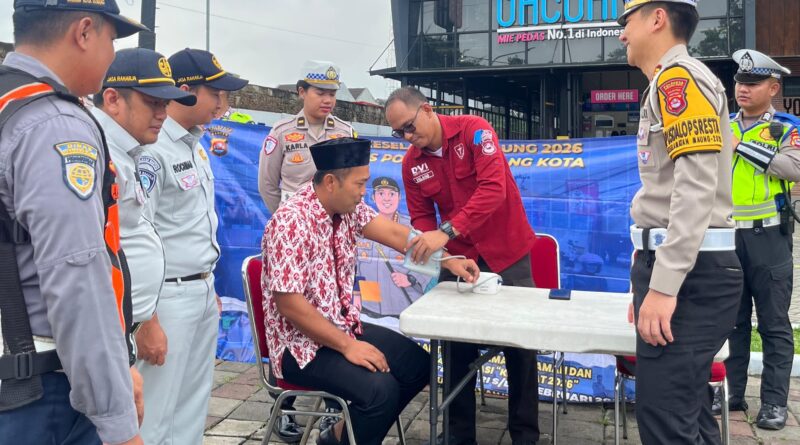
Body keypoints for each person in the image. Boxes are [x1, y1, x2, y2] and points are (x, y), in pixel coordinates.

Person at [262, 137, 479, 445]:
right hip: (298, 347)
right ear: (331, 182)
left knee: (418, 367)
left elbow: (395, 233)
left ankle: (338, 436)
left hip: (341, 326)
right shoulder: (290, 222)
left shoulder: (348, 208)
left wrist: (448, 260)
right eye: (360, 183)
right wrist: (348, 346)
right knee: (380, 391)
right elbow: (290, 305)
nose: (364, 191)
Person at [0, 1, 147, 444]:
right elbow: (76, 282)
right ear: (84, 32)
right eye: (111, 40)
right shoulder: (55, 124)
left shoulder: (8, 103)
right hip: (41, 389)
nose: (112, 56)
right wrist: (118, 420)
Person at [385, 86, 540, 445]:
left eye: (409, 126)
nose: (408, 137)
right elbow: (422, 219)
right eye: (398, 133)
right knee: (455, 346)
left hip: (507, 250)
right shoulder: (412, 164)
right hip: (458, 259)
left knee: (521, 345)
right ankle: (458, 434)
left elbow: (494, 189)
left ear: (427, 110)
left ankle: (525, 434)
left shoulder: (474, 131)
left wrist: (445, 232)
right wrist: (445, 256)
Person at [618, 1, 743, 443]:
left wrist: (664, 286)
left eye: (626, 21)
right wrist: (648, 277)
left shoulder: (679, 79)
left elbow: (695, 187)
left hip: (691, 276)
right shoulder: (669, 81)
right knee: (686, 413)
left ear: (657, 18)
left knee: (665, 419)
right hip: (684, 269)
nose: (622, 34)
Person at [135, 48, 248, 444]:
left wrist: (205, 283)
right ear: (184, 90)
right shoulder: (153, 148)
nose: (223, 103)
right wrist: (145, 318)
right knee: (154, 411)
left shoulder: (194, 144)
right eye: (215, 93)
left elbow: (193, 226)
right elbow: (137, 233)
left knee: (191, 408)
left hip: (198, 290)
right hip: (166, 298)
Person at [91, 48, 197, 367]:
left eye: (165, 104)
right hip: (104, 330)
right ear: (113, 99)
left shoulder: (126, 151)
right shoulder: (98, 151)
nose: (163, 113)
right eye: (153, 102)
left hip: (124, 323)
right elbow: (86, 254)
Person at [719, 49, 800, 430]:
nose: (743, 89)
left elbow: (793, 168)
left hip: (768, 237)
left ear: (773, 88)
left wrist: (741, 147)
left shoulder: (786, 128)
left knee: (774, 323)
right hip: (726, 237)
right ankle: (731, 394)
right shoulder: (721, 125)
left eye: (753, 83)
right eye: (740, 82)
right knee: (731, 322)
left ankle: (774, 404)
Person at [258, 60, 356, 213]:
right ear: (302, 92)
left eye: (332, 94)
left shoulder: (346, 133)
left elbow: (354, 181)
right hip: (293, 220)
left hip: (333, 221)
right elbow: (267, 185)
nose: (328, 100)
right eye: (320, 93)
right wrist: (284, 216)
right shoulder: (281, 133)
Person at [357, 176, 432, 320]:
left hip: (402, 305)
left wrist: (411, 278)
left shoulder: (413, 227)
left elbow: (431, 259)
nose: (386, 199)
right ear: (373, 197)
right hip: (369, 307)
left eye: (391, 194)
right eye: (381, 194)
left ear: (399, 197)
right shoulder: (362, 225)